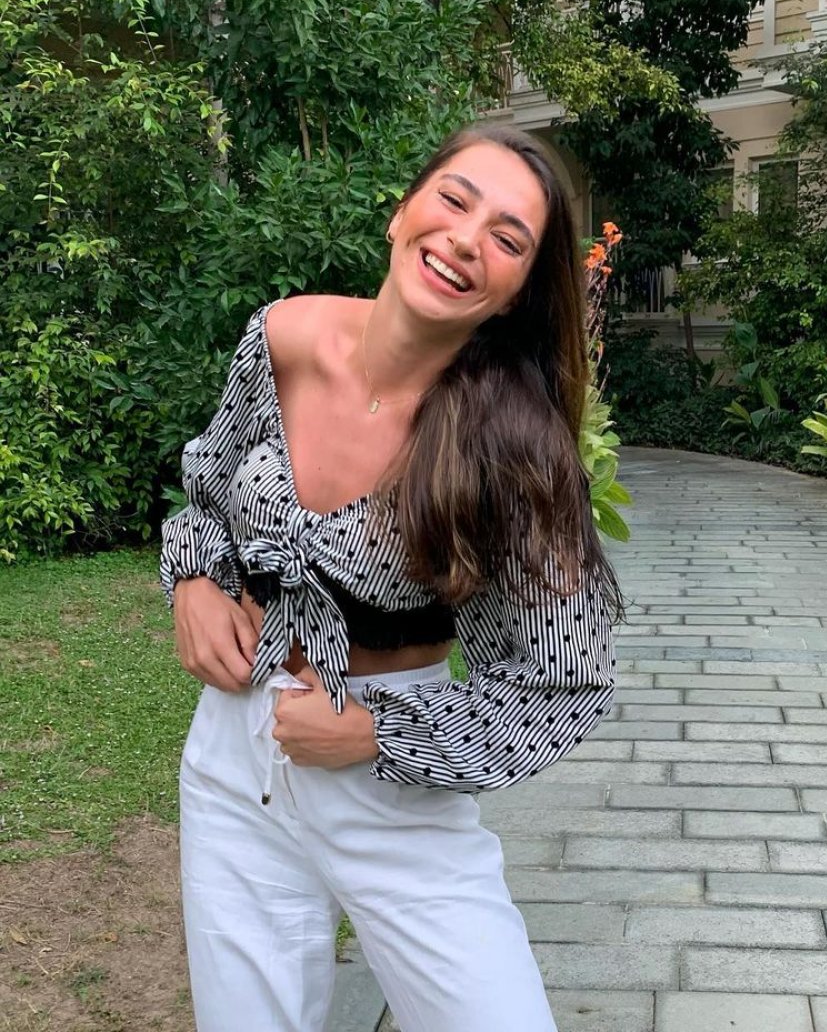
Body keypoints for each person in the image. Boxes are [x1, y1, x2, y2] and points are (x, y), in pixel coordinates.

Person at [159, 124, 622, 1032]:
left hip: (392, 784)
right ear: (402, 212)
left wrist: (379, 733)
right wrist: (194, 581)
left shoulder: (512, 446)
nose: (466, 239)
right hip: (232, 765)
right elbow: (210, 488)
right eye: (454, 200)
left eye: (507, 238)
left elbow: (566, 679)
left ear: (517, 292)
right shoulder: (282, 338)